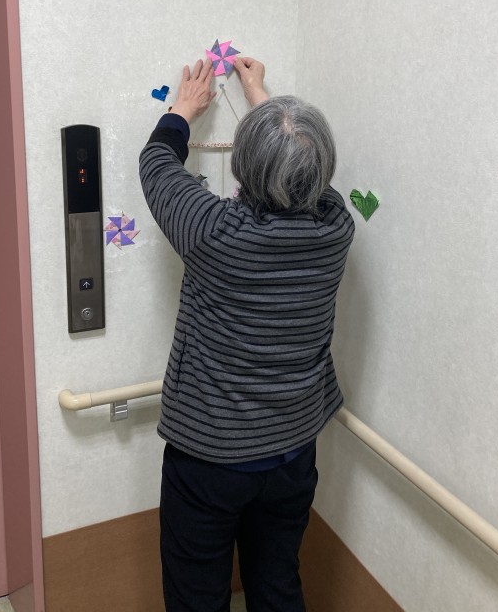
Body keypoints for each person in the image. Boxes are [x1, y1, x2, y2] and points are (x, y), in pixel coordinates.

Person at [139, 56, 355, 612]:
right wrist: (262, 96)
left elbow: (157, 165)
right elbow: (311, 177)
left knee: (196, 596)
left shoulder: (213, 232)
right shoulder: (336, 228)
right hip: (293, 452)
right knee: (277, 585)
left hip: (209, 460)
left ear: (243, 168)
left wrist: (182, 111)